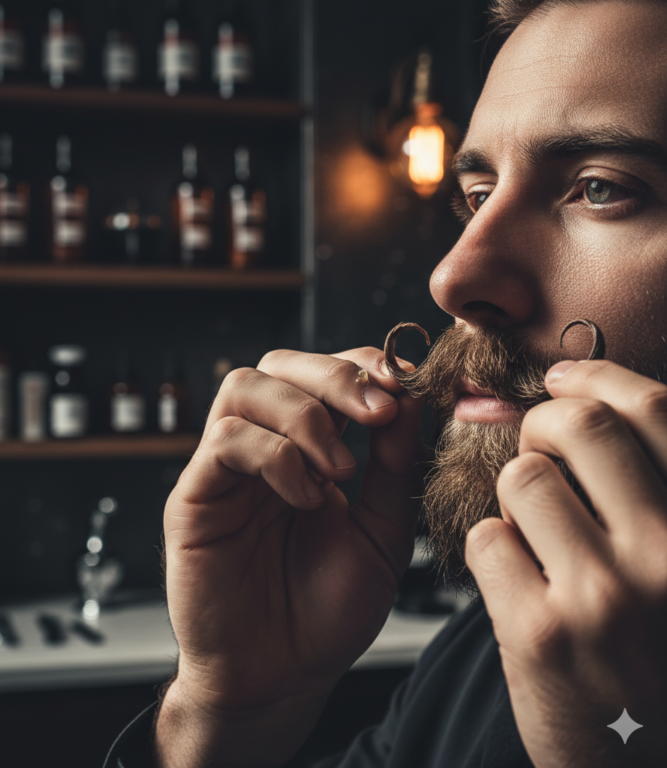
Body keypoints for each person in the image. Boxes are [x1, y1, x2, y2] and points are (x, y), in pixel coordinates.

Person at [105, 0, 667, 765]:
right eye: (476, 195)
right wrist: (228, 716)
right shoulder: (507, 627)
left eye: (600, 187)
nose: (453, 275)